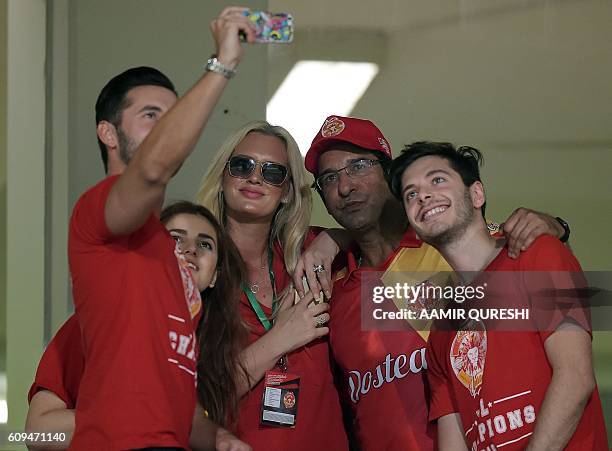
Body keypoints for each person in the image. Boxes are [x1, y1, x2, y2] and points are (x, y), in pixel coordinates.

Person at [293, 115, 571, 450]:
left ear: (390, 174)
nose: (345, 186)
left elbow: (561, 305)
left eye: (359, 166)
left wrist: (557, 227)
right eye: (329, 177)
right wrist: (331, 239)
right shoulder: (330, 286)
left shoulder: (456, 245)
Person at [67, 7, 256, 449]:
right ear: (108, 134)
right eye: (152, 115)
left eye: (174, 116)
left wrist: (223, 441)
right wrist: (222, 65)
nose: (168, 126)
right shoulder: (96, 210)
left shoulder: (170, 265)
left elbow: (173, 397)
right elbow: (152, 171)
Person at [387, 141, 608, 450]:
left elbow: (576, 376)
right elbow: (454, 441)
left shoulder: (539, 254)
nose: (422, 195)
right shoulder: (440, 328)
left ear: (477, 194)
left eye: (437, 180)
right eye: (411, 193)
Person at [26, 201, 251, 451]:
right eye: (175, 239)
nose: (190, 250)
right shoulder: (95, 322)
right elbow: (38, 434)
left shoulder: (207, 342)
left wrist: (220, 440)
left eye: (205, 244)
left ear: (215, 275)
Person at [196, 121, 348, 450]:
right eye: (242, 166)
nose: (255, 177)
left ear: (288, 191)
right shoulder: (196, 267)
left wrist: (330, 240)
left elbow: (378, 226)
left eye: (272, 172)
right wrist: (281, 338)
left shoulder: (307, 256)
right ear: (223, 178)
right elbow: (195, 398)